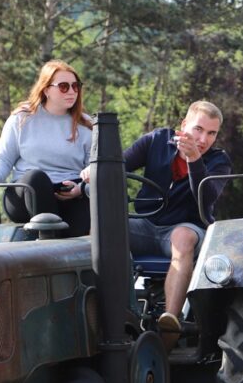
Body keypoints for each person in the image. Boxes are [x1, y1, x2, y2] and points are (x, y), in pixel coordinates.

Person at [82, 101, 231, 340]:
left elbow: (207, 199)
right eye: (198, 129)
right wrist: (91, 175)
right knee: (103, 230)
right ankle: (110, 308)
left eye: (211, 133)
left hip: (185, 228)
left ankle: (170, 322)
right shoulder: (157, 140)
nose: (203, 139)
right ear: (184, 125)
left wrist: (194, 160)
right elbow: (117, 165)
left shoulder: (219, 161)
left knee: (183, 239)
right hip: (145, 223)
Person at [0, 60, 93, 236]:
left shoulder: (87, 124)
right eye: (63, 86)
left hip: (70, 193)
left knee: (86, 202)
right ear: (46, 89)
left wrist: (82, 186)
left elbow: (95, 165)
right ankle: (49, 237)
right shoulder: (22, 119)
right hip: (27, 194)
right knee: (36, 178)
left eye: (75, 86)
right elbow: (4, 157)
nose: (71, 91)